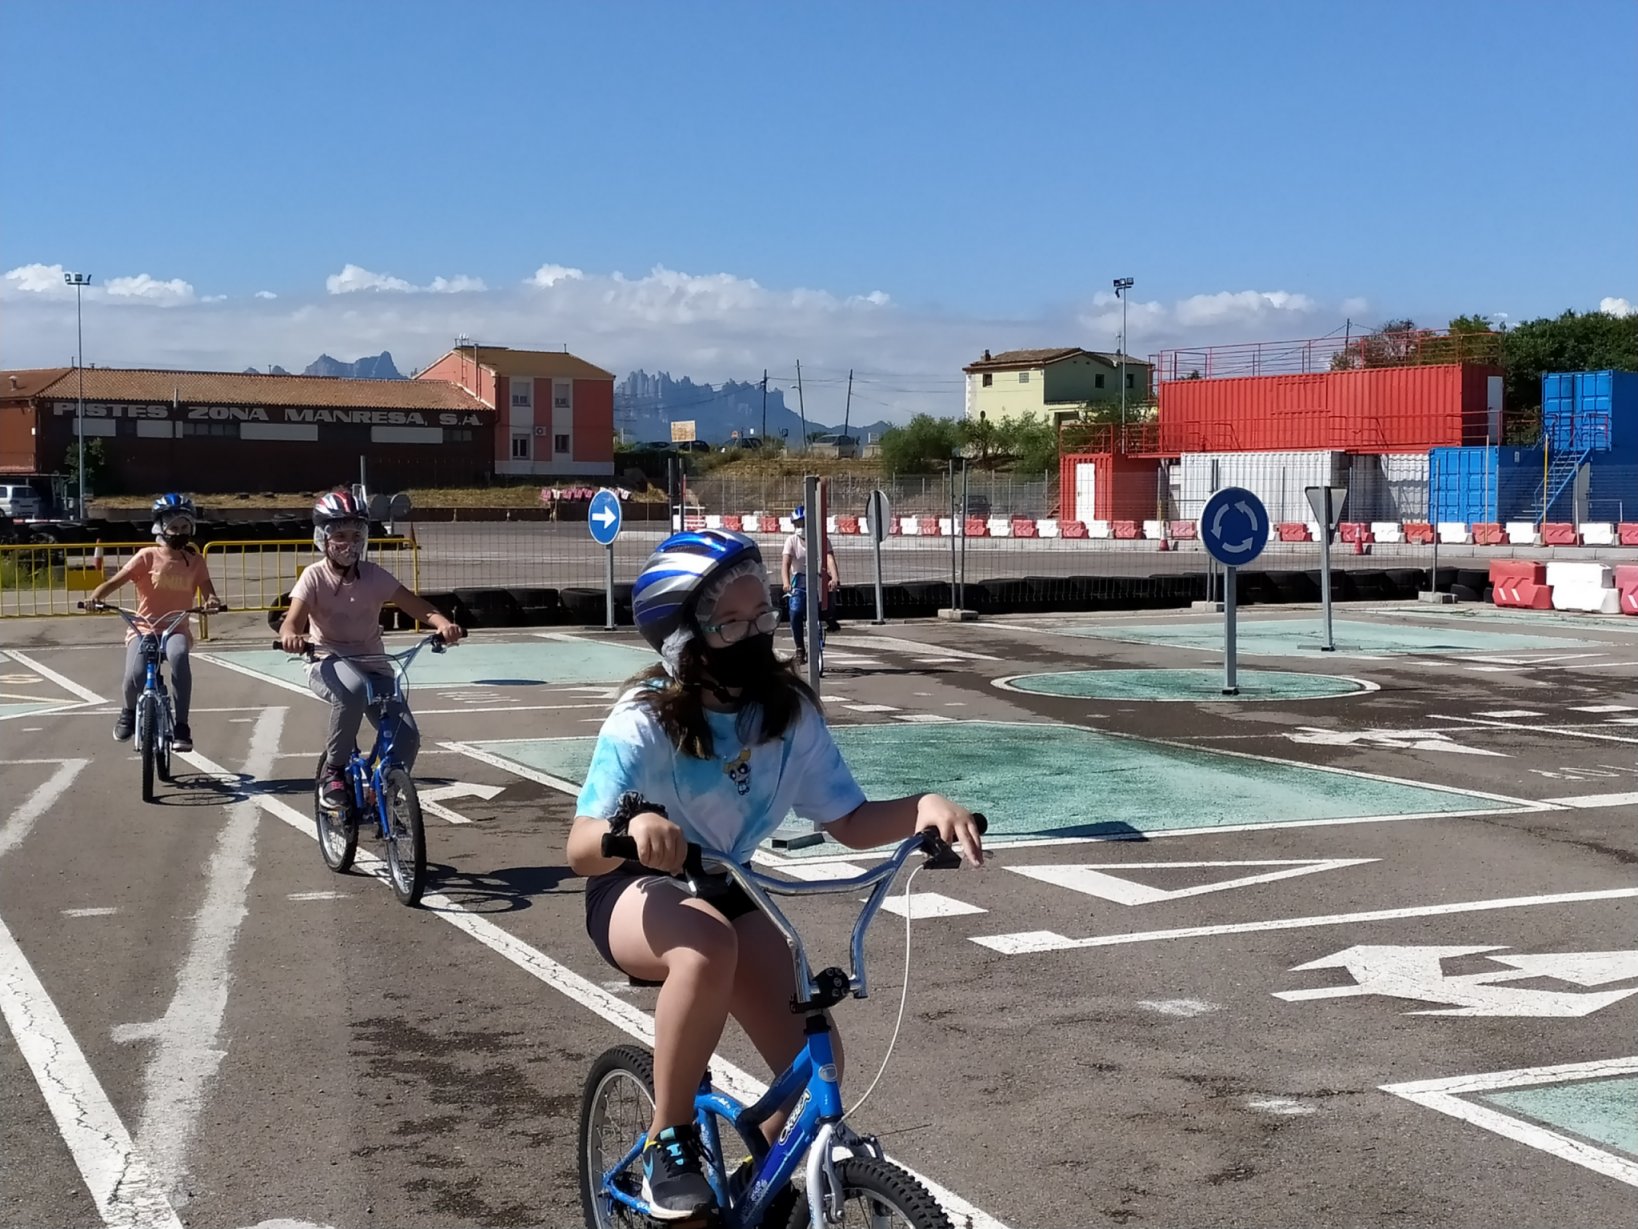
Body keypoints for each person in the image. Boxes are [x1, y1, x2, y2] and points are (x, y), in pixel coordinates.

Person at [564, 528, 983, 1220]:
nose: (755, 633)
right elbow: (579, 848)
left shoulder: (787, 714)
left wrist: (923, 808)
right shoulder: (644, 721)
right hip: (635, 884)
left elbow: (849, 818)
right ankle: (669, 1139)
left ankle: (755, 1187)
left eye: (762, 614)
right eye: (730, 623)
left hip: (730, 883)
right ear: (684, 640)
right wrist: (628, 830)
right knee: (706, 947)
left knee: (819, 1059)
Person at [277, 489, 463, 807]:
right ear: (323, 538)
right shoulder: (314, 576)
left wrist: (443, 624)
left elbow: (415, 605)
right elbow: (290, 622)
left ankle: (383, 795)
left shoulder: (374, 576)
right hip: (327, 660)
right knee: (352, 692)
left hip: (374, 663)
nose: (349, 544)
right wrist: (292, 636)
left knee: (407, 735)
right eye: (339, 536)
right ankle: (333, 771)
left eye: (356, 535)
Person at [88, 493, 222, 752]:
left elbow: (209, 593)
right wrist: (94, 598)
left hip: (175, 627)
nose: (179, 533)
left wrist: (212, 603)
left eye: (184, 527)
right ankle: (128, 712)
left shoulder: (195, 562)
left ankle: (181, 726)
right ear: (161, 528)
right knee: (134, 675)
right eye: (174, 527)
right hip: (143, 627)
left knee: (179, 657)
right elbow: (115, 582)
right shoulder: (147, 556)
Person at [779, 503, 839, 665]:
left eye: (803, 523)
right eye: (797, 524)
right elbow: (785, 564)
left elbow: (829, 559)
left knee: (828, 598)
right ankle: (800, 648)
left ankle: (830, 619)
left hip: (818, 576)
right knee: (795, 611)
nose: (801, 528)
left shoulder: (822, 540)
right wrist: (786, 583)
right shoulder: (791, 541)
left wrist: (834, 577)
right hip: (800, 578)